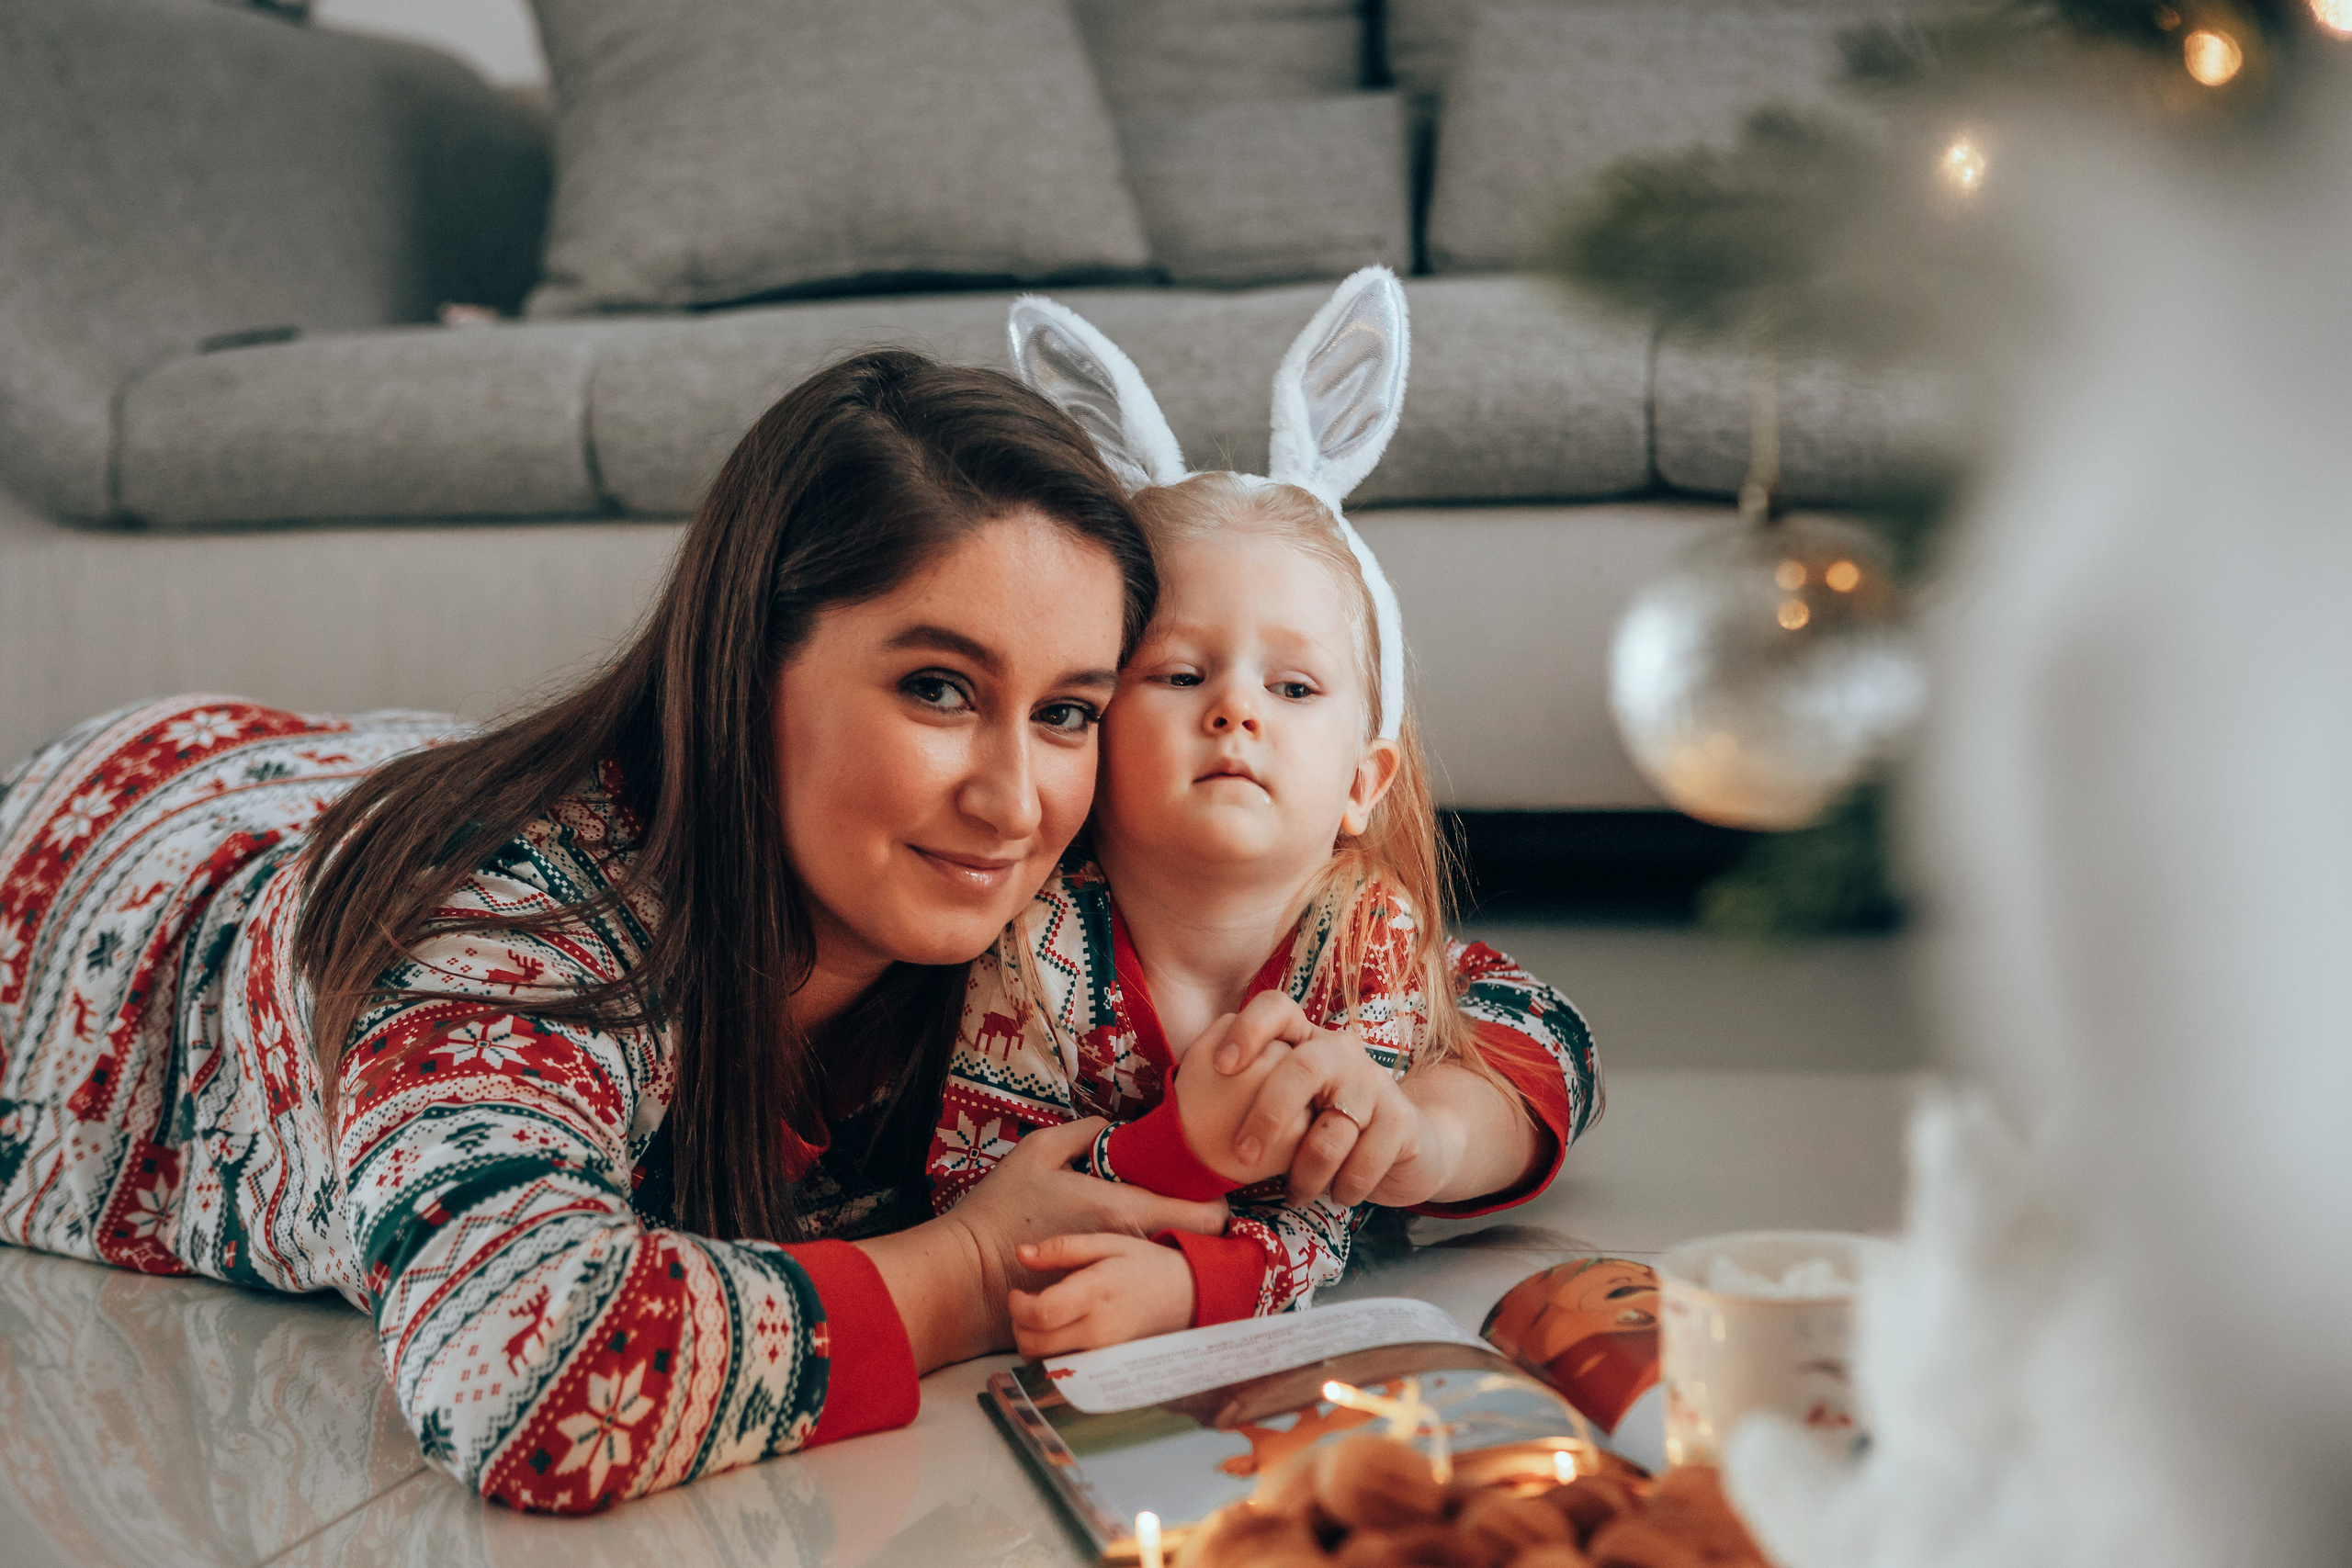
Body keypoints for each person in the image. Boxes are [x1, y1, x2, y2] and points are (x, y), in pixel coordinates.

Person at [0, 346, 1587, 1517]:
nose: (1011, 797)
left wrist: (1413, 1131)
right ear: (743, 666)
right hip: (107, 865)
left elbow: (1492, 1005)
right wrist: (970, 1268)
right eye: (938, 687)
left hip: (361, 763)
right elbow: (530, 1369)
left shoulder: (1036, 890)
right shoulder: (513, 928)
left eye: (1069, 710)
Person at [931, 274, 1600, 1352]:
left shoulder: (1366, 935)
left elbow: (1334, 1208)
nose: (1236, 709)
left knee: (1524, 1041)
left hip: (1434, 1034)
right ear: (1091, 729)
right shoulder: (1036, 946)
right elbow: (981, 1190)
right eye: (1178, 674)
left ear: (1361, 784)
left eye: (1292, 688)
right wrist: (1173, 1153)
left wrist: (1199, 1284)